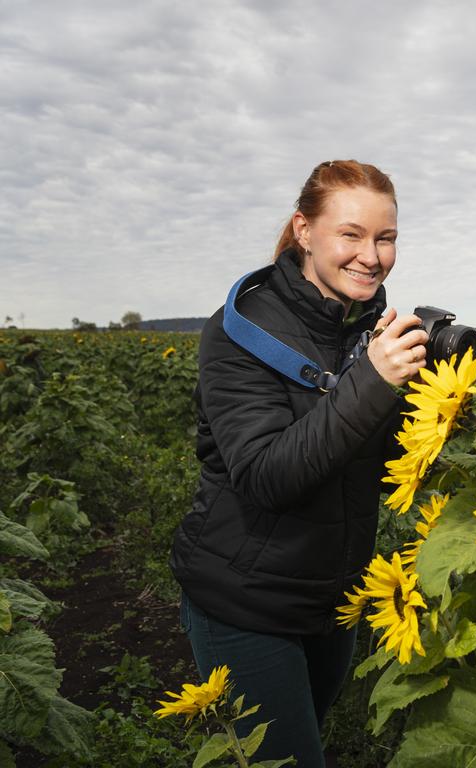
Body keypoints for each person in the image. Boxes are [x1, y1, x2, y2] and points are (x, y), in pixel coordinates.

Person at [170, 160, 429, 766]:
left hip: (333, 599)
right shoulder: (241, 333)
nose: (372, 255)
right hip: (245, 602)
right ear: (304, 231)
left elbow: (376, 457)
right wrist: (372, 381)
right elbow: (267, 476)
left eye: (385, 238)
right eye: (351, 234)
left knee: (299, 738)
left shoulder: (365, 327)